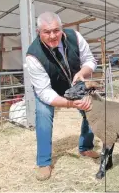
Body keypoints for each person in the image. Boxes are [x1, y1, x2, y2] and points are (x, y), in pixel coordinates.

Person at [26, 12, 99, 181]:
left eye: (56, 30)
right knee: (43, 114)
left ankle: (85, 147)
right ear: (39, 32)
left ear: (62, 28)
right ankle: (44, 162)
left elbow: (90, 61)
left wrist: (83, 72)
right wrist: (70, 104)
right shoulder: (33, 55)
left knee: (91, 107)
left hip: (75, 81)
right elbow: (44, 92)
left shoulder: (75, 37)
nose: (52, 36)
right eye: (46, 32)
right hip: (49, 88)